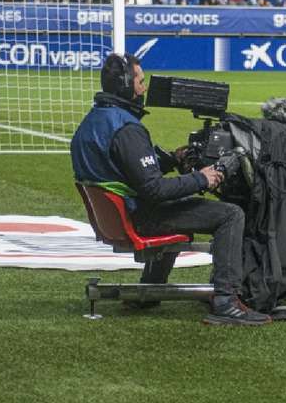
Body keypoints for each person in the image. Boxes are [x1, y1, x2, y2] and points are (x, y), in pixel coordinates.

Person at [70, 53, 271, 326]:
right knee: (231, 214)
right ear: (126, 85)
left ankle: (149, 291)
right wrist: (204, 178)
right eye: (140, 81)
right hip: (139, 216)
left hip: (119, 215)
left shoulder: (94, 120)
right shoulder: (127, 129)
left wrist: (171, 159)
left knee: (182, 200)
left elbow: (128, 171)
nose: (143, 88)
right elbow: (154, 189)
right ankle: (227, 300)